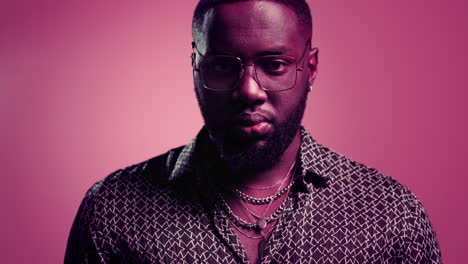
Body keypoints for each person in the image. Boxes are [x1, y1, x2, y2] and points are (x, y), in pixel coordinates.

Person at [65, 0, 441, 263]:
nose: (248, 89)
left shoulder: (391, 216)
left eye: (274, 64)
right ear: (196, 67)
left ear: (309, 69)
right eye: (224, 66)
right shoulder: (113, 210)